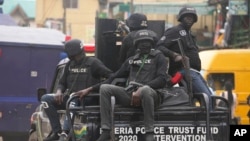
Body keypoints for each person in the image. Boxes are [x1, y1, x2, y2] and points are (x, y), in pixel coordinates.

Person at [96, 29, 170, 141]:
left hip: (152, 95)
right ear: (136, 44)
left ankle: (149, 132)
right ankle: (106, 130)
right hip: (131, 94)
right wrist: (90, 89)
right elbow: (114, 76)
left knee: (145, 90)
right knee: (105, 88)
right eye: (141, 42)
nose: (144, 44)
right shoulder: (131, 60)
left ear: (152, 43)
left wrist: (142, 88)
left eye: (147, 41)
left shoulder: (159, 57)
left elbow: (162, 80)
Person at [41, 39, 113, 141]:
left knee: (73, 98)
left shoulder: (93, 63)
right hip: (72, 98)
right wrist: (59, 91)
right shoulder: (69, 65)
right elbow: (62, 83)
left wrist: (91, 89)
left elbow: (111, 77)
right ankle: (57, 132)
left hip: (88, 100)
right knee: (45, 98)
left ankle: (65, 133)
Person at [156, 6, 213, 105]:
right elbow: (159, 46)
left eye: (191, 17)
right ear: (181, 18)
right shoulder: (174, 31)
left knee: (209, 97)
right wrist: (174, 55)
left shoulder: (190, 34)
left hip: (194, 71)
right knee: (206, 97)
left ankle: (206, 119)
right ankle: (209, 119)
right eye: (186, 17)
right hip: (183, 70)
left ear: (195, 19)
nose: (189, 19)